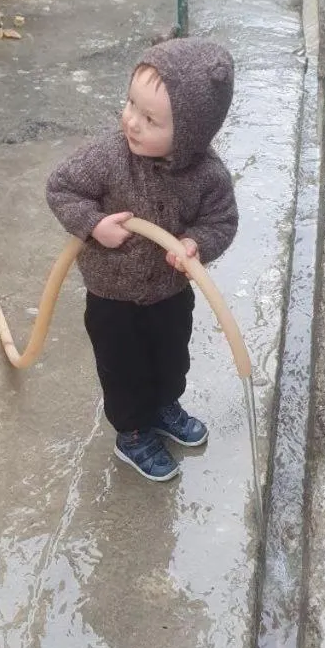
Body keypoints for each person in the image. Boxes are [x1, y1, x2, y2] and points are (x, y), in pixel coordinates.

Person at [46, 37, 238, 482]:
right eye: (130, 104)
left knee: (171, 356)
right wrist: (93, 224)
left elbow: (221, 221)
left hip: (170, 291)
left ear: (190, 134)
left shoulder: (207, 175)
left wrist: (195, 244)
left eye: (149, 119)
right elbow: (60, 188)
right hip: (112, 296)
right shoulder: (108, 157)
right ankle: (132, 432)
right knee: (123, 368)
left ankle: (165, 406)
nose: (131, 122)